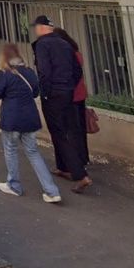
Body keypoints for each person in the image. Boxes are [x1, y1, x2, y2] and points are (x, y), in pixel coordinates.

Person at [0, 43, 61, 203]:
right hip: (30, 118)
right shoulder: (29, 72)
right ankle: (51, 191)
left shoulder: (5, 73)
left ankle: (14, 185)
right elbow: (36, 92)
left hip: (12, 119)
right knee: (33, 152)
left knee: (10, 150)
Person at [32, 15, 92, 193]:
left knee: (59, 133)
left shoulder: (43, 44)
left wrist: (46, 93)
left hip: (53, 95)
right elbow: (76, 70)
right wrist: (69, 86)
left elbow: (44, 71)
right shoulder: (65, 44)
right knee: (67, 130)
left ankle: (80, 175)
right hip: (67, 93)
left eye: (37, 27)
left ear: (42, 28)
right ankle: (64, 167)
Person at [54, 27, 89, 169]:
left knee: (70, 131)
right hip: (80, 95)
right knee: (80, 129)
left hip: (70, 97)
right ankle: (83, 157)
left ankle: (75, 163)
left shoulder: (67, 56)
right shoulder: (77, 53)